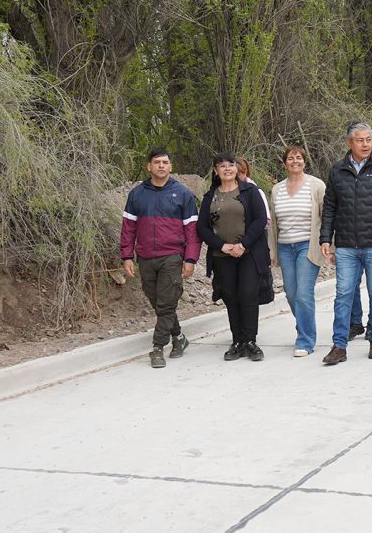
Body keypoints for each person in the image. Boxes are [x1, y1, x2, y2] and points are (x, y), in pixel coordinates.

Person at [320, 122, 372, 365]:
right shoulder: (337, 171)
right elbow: (330, 207)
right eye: (360, 140)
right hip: (346, 245)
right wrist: (326, 237)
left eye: (368, 139)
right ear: (349, 143)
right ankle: (339, 346)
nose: (366, 144)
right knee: (343, 294)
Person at [119, 147, 200, 369]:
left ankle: (157, 348)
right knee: (157, 301)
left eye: (165, 162)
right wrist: (127, 256)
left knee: (166, 304)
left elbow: (192, 231)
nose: (161, 165)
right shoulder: (137, 194)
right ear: (149, 166)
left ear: (170, 166)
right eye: (157, 162)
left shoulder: (182, 193)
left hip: (172, 256)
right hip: (145, 257)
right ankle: (179, 338)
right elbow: (128, 228)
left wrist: (190, 259)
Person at [197, 153, 272, 362]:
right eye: (222, 166)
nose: (227, 169)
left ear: (236, 168)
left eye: (230, 165)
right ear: (215, 171)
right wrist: (223, 245)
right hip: (222, 255)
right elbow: (202, 227)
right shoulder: (209, 197)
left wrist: (243, 244)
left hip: (249, 253)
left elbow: (260, 220)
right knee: (231, 296)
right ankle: (237, 341)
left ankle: (250, 341)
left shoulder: (250, 191)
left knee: (248, 294)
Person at [268, 146, 327, 357]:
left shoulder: (316, 185)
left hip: (307, 246)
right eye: (291, 158)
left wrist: (329, 243)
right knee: (291, 294)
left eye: (299, 158)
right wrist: (272, 251)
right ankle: (304, 324)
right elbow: (273, 223)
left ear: (304, 161)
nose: (295, 161)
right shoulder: (277, 189)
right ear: (285, 163)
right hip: (285, 247)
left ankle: (305, 340)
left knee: (303, 294)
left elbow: (327, 216)